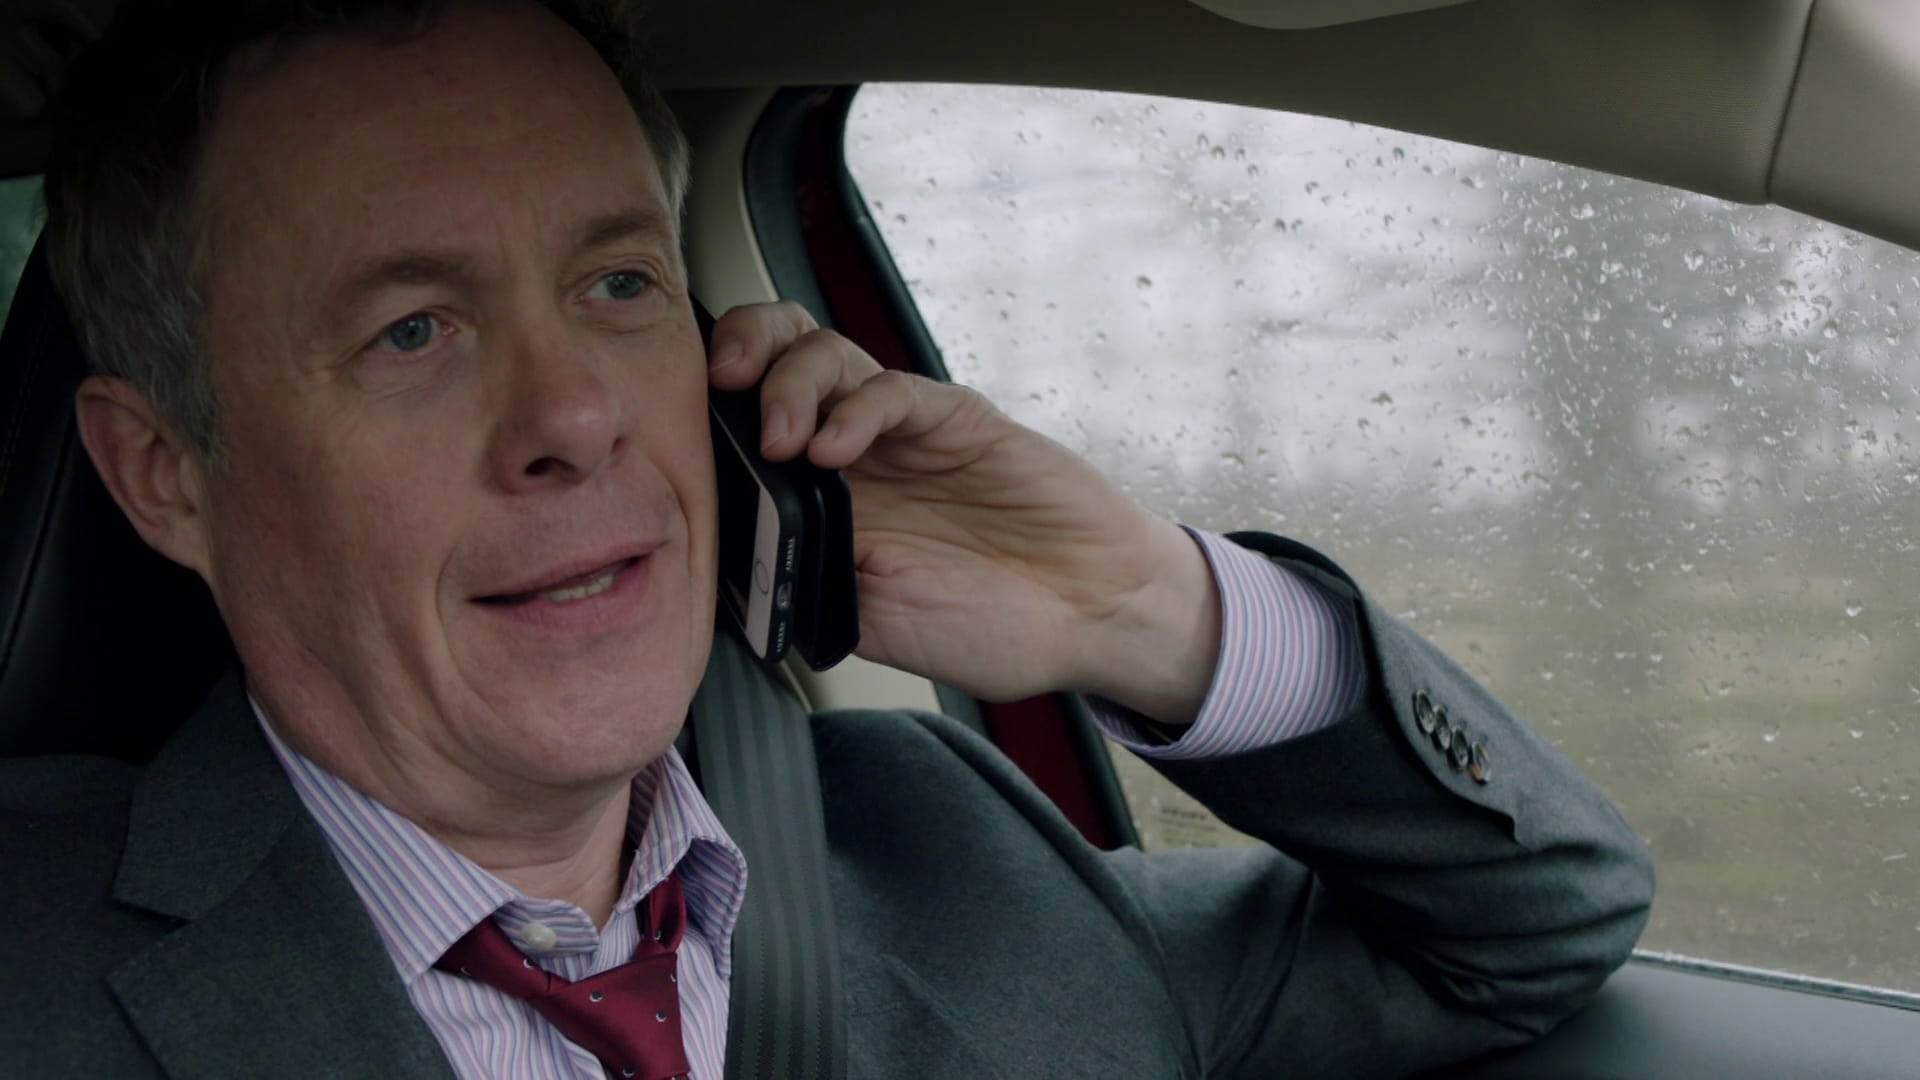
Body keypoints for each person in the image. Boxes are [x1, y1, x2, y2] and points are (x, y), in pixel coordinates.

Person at [1, 0, 1654, 1076]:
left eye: (620, 283)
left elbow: (1533, 929)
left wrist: (1138, 606)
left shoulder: (935, 848)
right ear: (165, 475)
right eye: (413, 330)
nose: (575, 416)